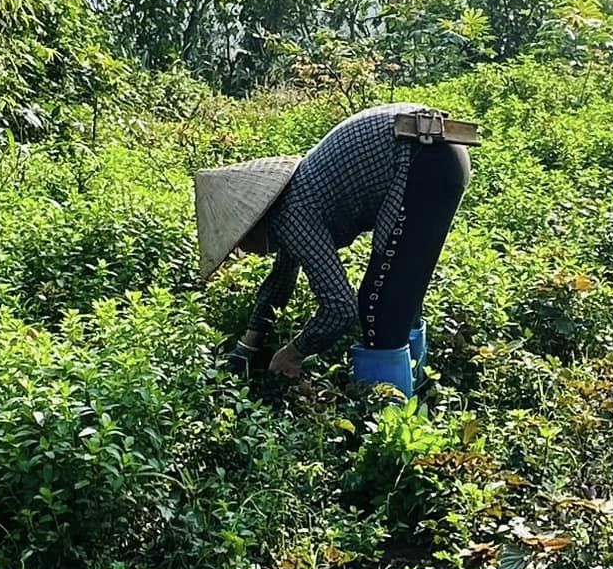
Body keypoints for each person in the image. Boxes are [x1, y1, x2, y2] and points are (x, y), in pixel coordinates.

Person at [194, 103, 472, 399]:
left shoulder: (292, 215)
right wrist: (247, 347)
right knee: (399, 296)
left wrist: (294, 353)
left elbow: (340, 309)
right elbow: (279, 284)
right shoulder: (290, 201)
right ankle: (418, 399)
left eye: (238, 242)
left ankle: (390, 423)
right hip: (439, 151)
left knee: (379, 307)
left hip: (423, 161)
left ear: (252, 222)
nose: (245, 252)